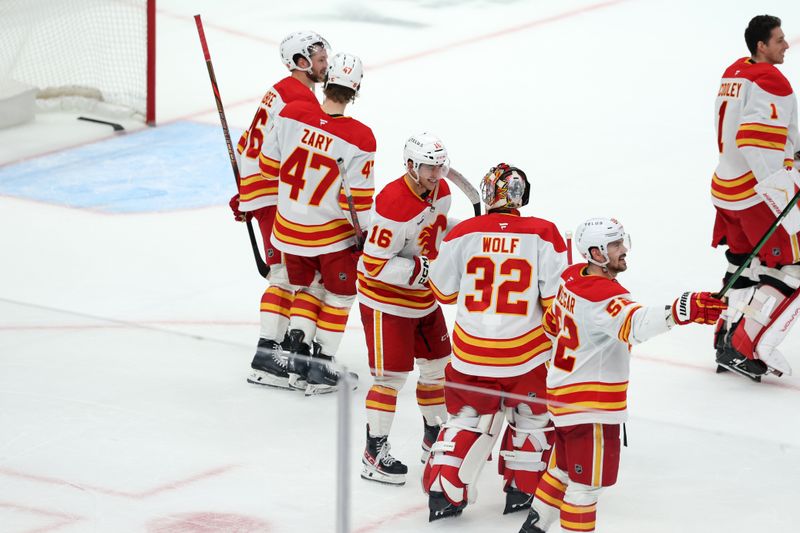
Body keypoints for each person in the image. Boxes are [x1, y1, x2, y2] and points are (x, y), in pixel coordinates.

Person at [518, 217, 726, 533]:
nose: (623, 249)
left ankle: (532, 529)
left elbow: (550, 325)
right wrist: (684, 309)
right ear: (596, 252)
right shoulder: (603, 296)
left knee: (561, 469)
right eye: (615, 245)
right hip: (590, 407)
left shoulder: (570, 277)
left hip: (562, 398)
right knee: (585, 487)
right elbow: (636, 325)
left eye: (621, 241)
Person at [422, 163, 567, 521]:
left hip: (471, 353)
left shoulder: (464, 233)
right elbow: (556, 303)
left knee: (466, 417)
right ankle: (523, 488)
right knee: (532, 417)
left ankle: (444, 488)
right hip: (526, 356)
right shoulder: (545, 233)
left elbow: (443, 291)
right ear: (523, 196)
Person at [262, 52, 375, 395]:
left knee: (306, 288)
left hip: (287, 229)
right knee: (339, 296)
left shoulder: (291, 113)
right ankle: (320, 365)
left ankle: (298, 355)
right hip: (327, 236)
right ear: (355, 90)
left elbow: (269, 165)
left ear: (327, 81)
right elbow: (354, 202)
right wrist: (365, 234)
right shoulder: (360, 137)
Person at [229, 31, 331, 389]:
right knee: (286, 275)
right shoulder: (300, 100)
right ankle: (267, 355)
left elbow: (246, 145)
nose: (326, 62)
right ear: (301, 63)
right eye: (319, 58)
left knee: (286, 272)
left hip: (261, 192)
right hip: (275, 195)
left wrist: (242, 193)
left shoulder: (279, 90)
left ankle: (279, 346)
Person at [356, 133, 454, 486]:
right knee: (389, 380)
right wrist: (423, 270)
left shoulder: (442, 192)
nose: (436, 173)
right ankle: (374, 451)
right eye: (429, 166)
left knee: (438, 368)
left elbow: (435, 234)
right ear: (412, 165)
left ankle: (434, 437)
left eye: (439, 165)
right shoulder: (392, 203)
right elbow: (373, 265)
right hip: (385, 300)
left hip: (422, 298)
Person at [710, 15, 800, 381]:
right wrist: (783, 195)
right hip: (754, 194)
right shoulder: (770, 80)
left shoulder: (735, 71)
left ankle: (725, 340)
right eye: (779, 40)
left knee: (743, 264)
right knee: (792, 266)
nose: (786, 45)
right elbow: (755, 141)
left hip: (725, 186)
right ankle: (749, 346)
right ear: (761, 46)